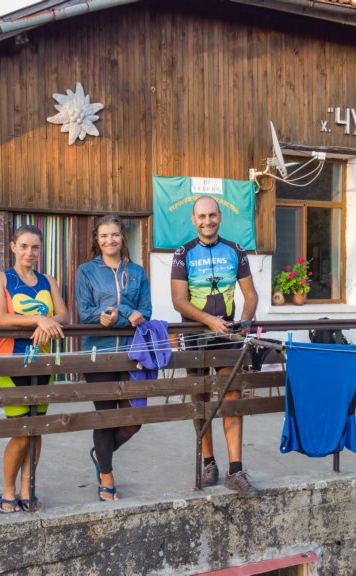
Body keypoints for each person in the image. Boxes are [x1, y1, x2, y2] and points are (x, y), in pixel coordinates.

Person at [170, 196, 259, 494]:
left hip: (228, 336)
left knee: (232, 397)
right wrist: (208, 320)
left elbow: (251, 295)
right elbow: (178, 300)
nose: (207, 221)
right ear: (193, 220)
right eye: (201, 216)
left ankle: (236, 469)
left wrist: (245, 322)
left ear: (220, 216)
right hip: (195, 336)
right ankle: (209, 463)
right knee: (201, 400)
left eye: (212, 215)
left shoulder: (236, 250)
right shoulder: (183, 253)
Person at [0, 225, 68, 513]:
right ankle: (8, 490)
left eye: (35, 247)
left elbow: (63, 314)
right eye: (23, 246)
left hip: (44, 363)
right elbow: (2, 317)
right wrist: (39, 319)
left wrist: (48, 322)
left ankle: (27, 489)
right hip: (12, 362)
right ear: (13, 247)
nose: (29, 252)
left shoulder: (48, 280)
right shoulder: (1, 278)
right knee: (21, 431)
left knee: (36, 430)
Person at [74, 215, 151, 502]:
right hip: (99, 354)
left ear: (123, 238)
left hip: (133, 354)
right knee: (106, 417)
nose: (110, 240)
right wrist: (124, 313)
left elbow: (146, 312)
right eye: (104, 235)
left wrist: (121, 314)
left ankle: (100, 453)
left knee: (134, 418)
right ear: (97, 239)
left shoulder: (137, 272)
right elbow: (86, 313)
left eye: (115, 234)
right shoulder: (86, 271)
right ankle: (107, 476)